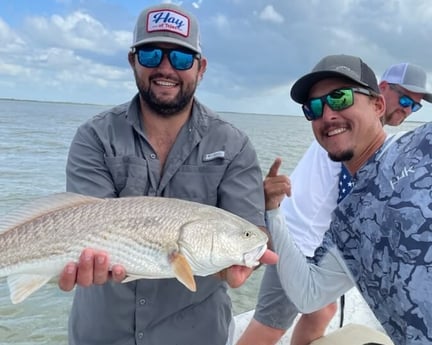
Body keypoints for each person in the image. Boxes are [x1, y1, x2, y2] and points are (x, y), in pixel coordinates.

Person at [56, 3, 277, 345]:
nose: (165, 68)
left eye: (181, 59)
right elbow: (86, 224)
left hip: (197, 334)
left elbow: (250, 232)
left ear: (200, 68)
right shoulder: (94, 136)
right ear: (132, 60)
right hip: (100, 333)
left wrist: (242, 261)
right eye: (151, 54)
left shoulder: (234, 145)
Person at [237, 62, 432, 345]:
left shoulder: (421, 145)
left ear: (377, 105)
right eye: (313, 108)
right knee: (276, 322)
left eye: (341, 99)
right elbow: (308, 294)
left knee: (321, 311)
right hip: (303, 246)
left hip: (315, 247)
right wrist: (272, 212)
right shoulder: (346, 224)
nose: (328, 115)